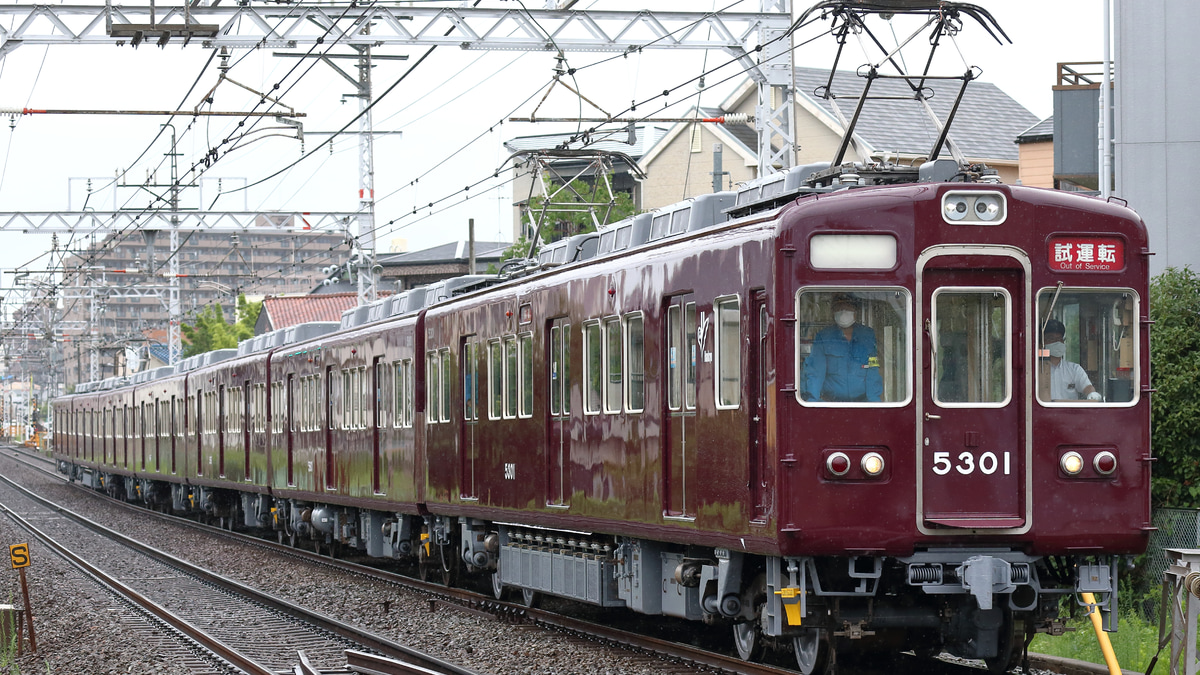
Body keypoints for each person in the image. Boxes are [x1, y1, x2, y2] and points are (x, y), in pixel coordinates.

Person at [802, 295, 883, 402]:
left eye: (848, 307)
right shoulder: (824, 336)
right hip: (831, 403)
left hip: (862, 403)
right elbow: (816, 372)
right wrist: (813, 402)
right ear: (833, 312)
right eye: (839, 308)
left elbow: (873, 368)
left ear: (855, 311)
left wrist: (874, 402)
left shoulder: (867, 335)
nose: (843, 312)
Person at [1041, 319, 1102, 401]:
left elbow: (1087, 387)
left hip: (1070, 413)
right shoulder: (1037, 370)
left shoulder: (1074, 369)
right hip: (1043, 412)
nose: (1056, 342)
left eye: (1059, 339)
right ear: (1042, 342)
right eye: (1051, 338)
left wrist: (1092, 394)